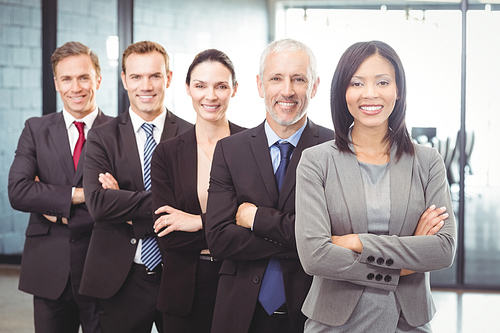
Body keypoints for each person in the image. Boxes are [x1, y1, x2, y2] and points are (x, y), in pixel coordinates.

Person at [295, 40, 456, 332]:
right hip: (334, 323)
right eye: (357, 83)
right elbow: (315, 256)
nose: (370, 93)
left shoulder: (427, 161)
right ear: (343, 93)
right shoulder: (316, 161)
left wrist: (357, 241)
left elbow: (443, 249)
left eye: (382, 82)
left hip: (408, 323)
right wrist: (406, 264)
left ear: (398, 90)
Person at [205, 38, 334, 333]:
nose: (287, 90)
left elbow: (335, 236)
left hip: (312, 310)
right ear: (261, 85)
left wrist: (255, 219)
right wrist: (303, 239)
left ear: (313, 87)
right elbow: (219, 239)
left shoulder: (336, 149)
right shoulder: (230, 150)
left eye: (298, 79)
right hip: (240, 314)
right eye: (276, 78)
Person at [79, 41, 192, 333]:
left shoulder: (191, 135)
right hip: (121, 276)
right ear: (124, 80)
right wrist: (167, 206)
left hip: (179, 272)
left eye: (154, 76)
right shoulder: (102, 137)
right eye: (137, 77)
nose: (146, 85)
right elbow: (99, 205)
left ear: (168, 78)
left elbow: (196, 204)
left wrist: (124, 201)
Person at [8, 41, 111, 332]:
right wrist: (83, 196)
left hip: (103, 269)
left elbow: (125, 201)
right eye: (66, 78)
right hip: (48, 270)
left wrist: (54, 205)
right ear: (56, 83)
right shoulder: (35, 129)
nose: (75, 87)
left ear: (98, 80)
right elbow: (18, 191)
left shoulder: (120, 132)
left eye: (83, 77)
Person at [150, 49, 245, 333]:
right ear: (188, 89)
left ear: (234, 89)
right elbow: (167, 235)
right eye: (201, 86)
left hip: (241, 284)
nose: (211, 96)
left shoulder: (253, 146)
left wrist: (198, 221)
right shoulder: (167, 153)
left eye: (221, 86)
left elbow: (263, 226)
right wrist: (231, 224)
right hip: (184, 291)